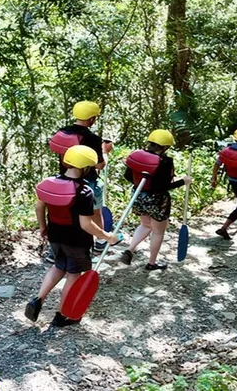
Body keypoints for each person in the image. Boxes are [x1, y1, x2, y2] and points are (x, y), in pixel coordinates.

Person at [25, 145, 120, 327]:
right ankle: (62, 314)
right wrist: (107, 236)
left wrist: (43, 228)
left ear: (65, 161)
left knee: (58, 266)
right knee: (73, 273)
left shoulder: (49, 184)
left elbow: (39, 207)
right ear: (86, 168)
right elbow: (86, 224)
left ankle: (38, 299)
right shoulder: (84, 192)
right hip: (77, 241)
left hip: (55, 235)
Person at [119, 129, 192, 270]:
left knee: (146, 224)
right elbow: (164, 186)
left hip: (139, 196)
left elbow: (128, 176)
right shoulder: (165, 162)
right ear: (165, 147)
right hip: (158, 200)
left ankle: (129, 250)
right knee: (158, 231)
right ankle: (151, 263)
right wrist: (183, 181)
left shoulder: (137, 156)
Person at [48, 101, 110, 259]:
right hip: (87, 181)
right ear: (92, 119)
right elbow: (100, 165)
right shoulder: (91, 138)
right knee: (95, 211)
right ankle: (101, 241)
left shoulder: (62, 132)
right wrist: (105, 151)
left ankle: (55, 251)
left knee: (66, 214)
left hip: (65, 180)